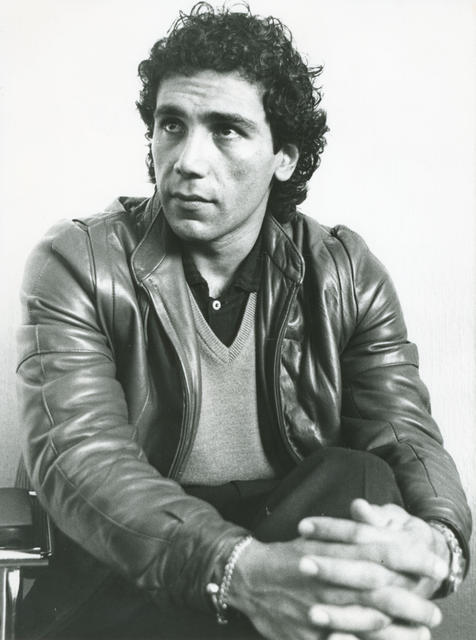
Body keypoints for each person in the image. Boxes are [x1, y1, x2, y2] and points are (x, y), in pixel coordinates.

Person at [16, 3, 471, 640]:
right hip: (131, 571)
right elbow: (82, 462)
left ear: (283, 156)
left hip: (286, 542)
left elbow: (404, 434)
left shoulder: (345, 272)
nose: (187, 160)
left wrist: (438, 543)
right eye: (171, 125)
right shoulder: (78, 262)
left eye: (226, 130)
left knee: (360, 476)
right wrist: (241, 572)